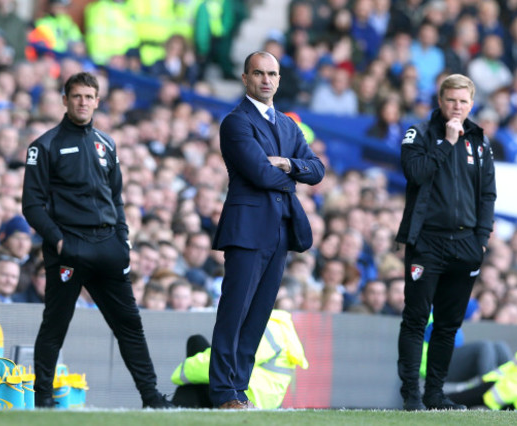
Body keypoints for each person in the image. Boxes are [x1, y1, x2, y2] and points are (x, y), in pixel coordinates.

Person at [21, 72, 173, 409]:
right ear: (65, 100)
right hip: (70, 248)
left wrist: (123, 238)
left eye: (89, 97)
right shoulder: (44, 145)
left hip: (108, 247)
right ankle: (43, 399)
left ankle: (151, 397)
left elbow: (116, 197)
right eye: (77, 96)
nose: (83, 102)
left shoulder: (106, 143)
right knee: (56, 324)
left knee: (130, 323)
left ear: (97, 101)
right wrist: (59, 242)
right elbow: (31, 205)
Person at [209, 51, 324, 409]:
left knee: (258, 315)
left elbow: (317, 169)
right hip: (246, 229)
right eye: (258, 73)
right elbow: (259, 173)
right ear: (245, 78)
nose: (266, 80)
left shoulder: (288, 125)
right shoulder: (236, 122)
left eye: (272, 73)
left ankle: (238, 390)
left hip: (279, 230)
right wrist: (293, 177)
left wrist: (288, 163)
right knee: (235, 312)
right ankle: (223, 392)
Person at [395, 73, 497, 411]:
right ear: (439, 101)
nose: (457, 107)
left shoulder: (480, 141)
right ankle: (411, 394)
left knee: (449, 324)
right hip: (427, 241)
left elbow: (487, 194)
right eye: (451, 100)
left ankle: (435, 394)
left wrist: (481, 240)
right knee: (416, 318)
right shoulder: (419, 133)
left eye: (463, 102)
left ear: (472, 104)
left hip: (466, 245)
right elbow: (417, 174)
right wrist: (446, 143)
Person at [171, 308, 308, 409]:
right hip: (261, 403)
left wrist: (182, 371)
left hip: (244, 401)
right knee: (199, 346)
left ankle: (173, 409)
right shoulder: (275, 327)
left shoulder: (267, 330)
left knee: (197, 345)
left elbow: (224, 365)